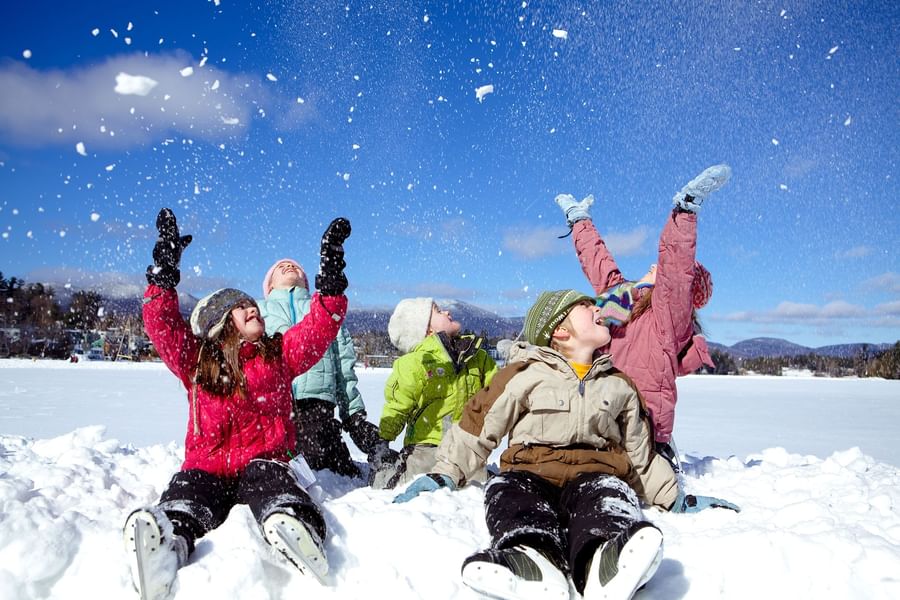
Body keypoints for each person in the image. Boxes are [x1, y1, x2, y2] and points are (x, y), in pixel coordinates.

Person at [394, 290, 739, 600]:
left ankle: (604, 561)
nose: (598, 309)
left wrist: (673, 497)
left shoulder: (618, 384)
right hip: (530, 472)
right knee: (507, 493)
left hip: (595, 472)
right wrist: (445, 473)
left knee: (608, 497)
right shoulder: (524, 374)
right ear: (559, 331)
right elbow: (478, 426)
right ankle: (530, 559)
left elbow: (640, 456)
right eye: (586, 307)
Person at [123, 208, 351, 599]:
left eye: (254, 304)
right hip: (207, 467)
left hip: (264, 462)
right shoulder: (196, 362)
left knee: (274, 481)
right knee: (188, 493)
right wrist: (163, 274)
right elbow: (162, 325)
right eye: (242, 306)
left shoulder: (278, 355)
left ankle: (293, 524)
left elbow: (318, 329)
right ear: (221, 322)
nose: (254, 308)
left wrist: (329, 285)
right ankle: (168, 546)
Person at [554, 164, 730, 469]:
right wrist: (580, 221)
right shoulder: (624, 302)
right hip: (604, 423)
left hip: (644, 433)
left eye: (658, 268)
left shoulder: (667, 320)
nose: (652, 265)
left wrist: (684, 212)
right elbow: (600, 265)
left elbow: (676, 266)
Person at [259, 258, 398, 481]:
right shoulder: (257, 311)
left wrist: (354, 418)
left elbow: (344, 371)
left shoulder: (323, 311)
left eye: (295, 267)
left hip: (318, 410)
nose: (289, 266)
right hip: (270, 410)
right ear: (269, 286)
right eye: (279, 267)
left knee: (332, 468)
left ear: (306, 282)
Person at [373, 298, 498, 489]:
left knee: (475, 485)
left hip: (466, 448)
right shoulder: (416, 362)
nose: (447, 312)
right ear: (427, 330)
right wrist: (383, 440)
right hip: (426, 448)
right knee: (413, 482)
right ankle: (384, 477)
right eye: (438, 311)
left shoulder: (476, 357)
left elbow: (500, 389)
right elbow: (398, 405)